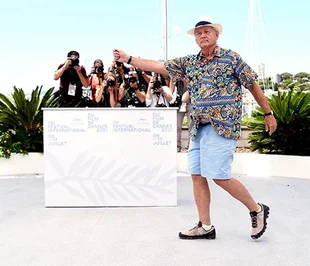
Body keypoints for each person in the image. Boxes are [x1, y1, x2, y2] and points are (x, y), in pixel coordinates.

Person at [113, 16, 278, 240]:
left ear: (216, 35)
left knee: (219, 177)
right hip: (198, 128)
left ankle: (257, 209)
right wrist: (129, 58)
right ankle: (205, 226)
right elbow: (158, 66)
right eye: (199, 33)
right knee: (197, 175)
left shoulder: (232, 58)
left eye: (207, 31)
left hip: (224, 127)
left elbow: (252, 85)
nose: (203, 35)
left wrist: (268, 113)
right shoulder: (189, 62)